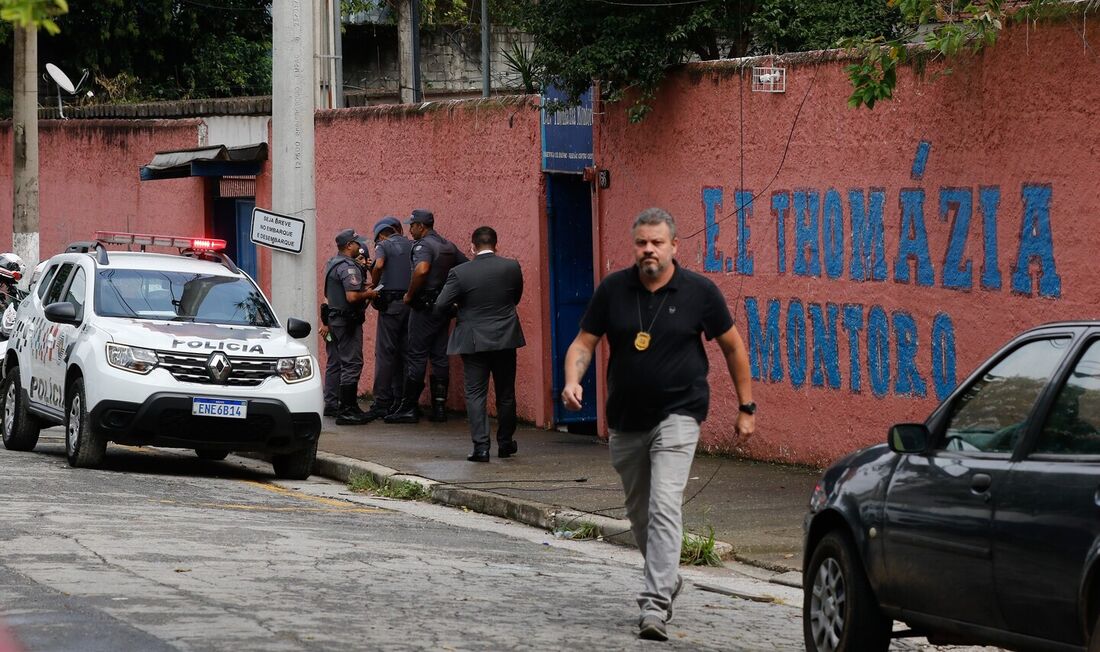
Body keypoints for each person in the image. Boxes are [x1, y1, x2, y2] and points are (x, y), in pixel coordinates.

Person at [561, 207, 755, 642]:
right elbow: (583, 342)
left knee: (665, 505)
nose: (648, 249)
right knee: (639, 512)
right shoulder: (613, 289)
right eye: (641, 242)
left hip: (680, 414)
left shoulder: (699, 292)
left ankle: (654, 605)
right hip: (626, 419)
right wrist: (573, 379)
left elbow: (733, 347)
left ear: (674, 246)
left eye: (657, 242)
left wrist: (747, 406)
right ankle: (667, 576)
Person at [435, 226, 525, 462]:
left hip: (473, 339)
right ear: (496, 244)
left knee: (476, 393)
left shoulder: (460, 272)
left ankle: (481, 447)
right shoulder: (511, 267)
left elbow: (441, 304)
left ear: (472, 246)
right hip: (505, 336)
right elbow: (515, 297)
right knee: (506, 392)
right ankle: (505, 443)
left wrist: (460, 309)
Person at [386, 209, 469, 424]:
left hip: (424, 307)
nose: (410, 230)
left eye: (412, 225)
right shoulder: (447, 245)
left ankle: (408, 408)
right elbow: (466, 267)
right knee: (439, 355)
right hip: (443, 308)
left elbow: (422, 270)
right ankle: (439, 408)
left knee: (416, 355)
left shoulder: (423, 246)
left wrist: (409, 295)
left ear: (421, 226)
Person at [319, 228, 374, 425]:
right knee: (352, 363)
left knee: (337, 362)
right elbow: (351, 296)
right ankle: (347, 410)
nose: (360, 246)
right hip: (346, 322)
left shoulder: (333, 263)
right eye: (357, 243)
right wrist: (370, 294)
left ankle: (339, 405)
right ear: (349, 245)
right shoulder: (348, 267)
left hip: (335, 321)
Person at [361, 216, 413, 421]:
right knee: (407, 354)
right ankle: (403, 401)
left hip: (390, 306)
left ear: (382, 235)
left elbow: (380, 264)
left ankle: (382, 402)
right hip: (410, 305)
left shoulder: (384, 245)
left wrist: (373, 283)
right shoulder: (413, 245)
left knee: (385, 354)